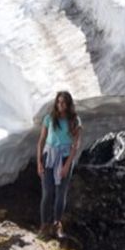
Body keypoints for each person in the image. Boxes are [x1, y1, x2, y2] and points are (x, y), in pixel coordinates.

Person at [37, 90, 82, 238]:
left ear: (68, 104)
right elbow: (41, 140)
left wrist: (67, 165)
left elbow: (75, 145)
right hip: (49, 157)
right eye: (58, 102)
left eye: (63, 102)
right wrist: (39, 162)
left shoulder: (75, 120)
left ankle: (56, 224)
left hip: (64, 157)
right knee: (48, 192)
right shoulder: (49, 118)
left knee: (60, 194)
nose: (60, 105)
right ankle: (44, 225)